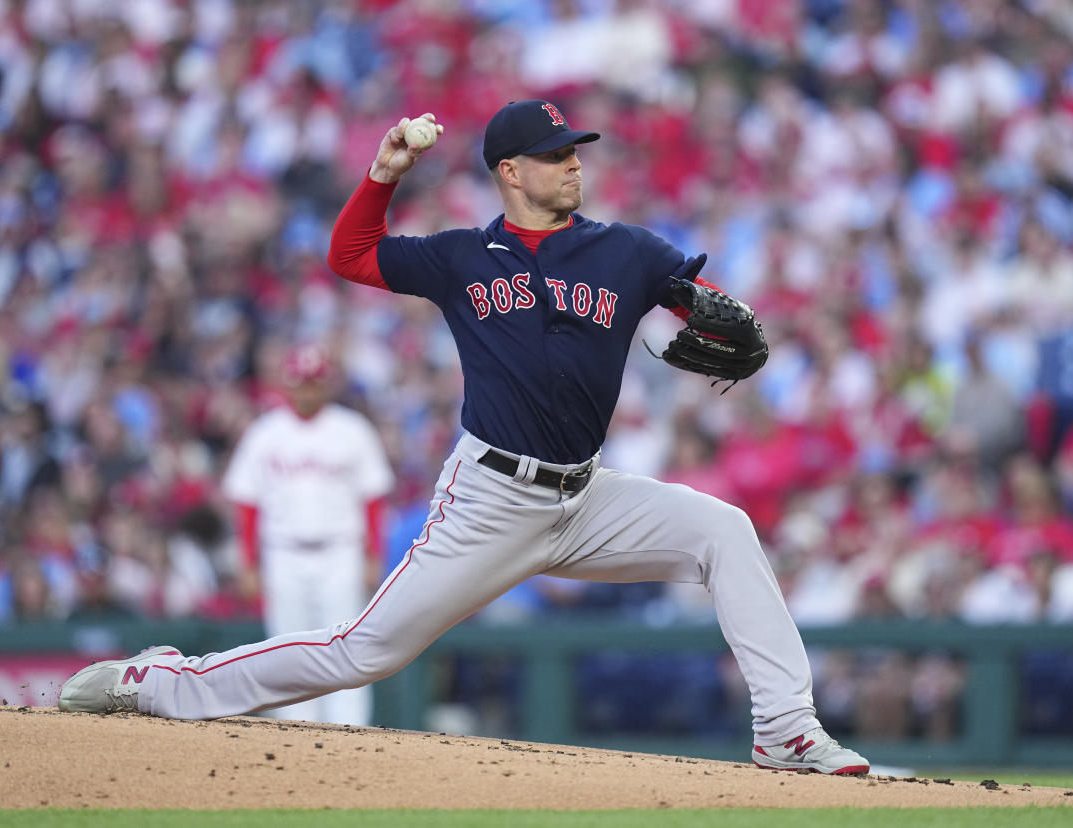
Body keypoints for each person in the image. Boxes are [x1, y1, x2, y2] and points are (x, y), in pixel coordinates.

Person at [59, 101, 869, 775]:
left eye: (575, 152)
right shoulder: (462, 258)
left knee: (723, 529)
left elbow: (706, 308)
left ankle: (785, 728)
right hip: (489, 499)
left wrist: (715, 316)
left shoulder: (626, 250)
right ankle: (159, 682)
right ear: (510, 172)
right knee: (360, 652)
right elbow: (349, 255)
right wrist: (385, 173)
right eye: (553, 156)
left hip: (589, 496)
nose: (573, 166)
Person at [220, 343, 394, 725]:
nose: (308, 391)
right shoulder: (266, 433)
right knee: (287, 647)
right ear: (288, 383)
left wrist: (372, 554)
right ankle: (295, 733)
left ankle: (350, 730)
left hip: (340, 551)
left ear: (326, 385)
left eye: (314, 383)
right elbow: (247, 503)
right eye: (301, 383)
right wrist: (248, 563)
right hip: (283, 552)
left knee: (348, 646)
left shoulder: (351, 430)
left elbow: (373, 498)